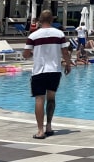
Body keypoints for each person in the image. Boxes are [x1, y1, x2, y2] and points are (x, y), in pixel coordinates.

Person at [23, 9, 72, 139]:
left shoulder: (33, 35)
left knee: (39, 99)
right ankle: (49, 126)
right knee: (51, 98)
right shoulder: (59, 34)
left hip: (39, 71)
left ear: (40, 20)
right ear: (52, 20)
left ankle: (40, 131)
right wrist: (68, 64)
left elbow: (25, 54)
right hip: (54, 70)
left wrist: (34, 54)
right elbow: (65, 52)